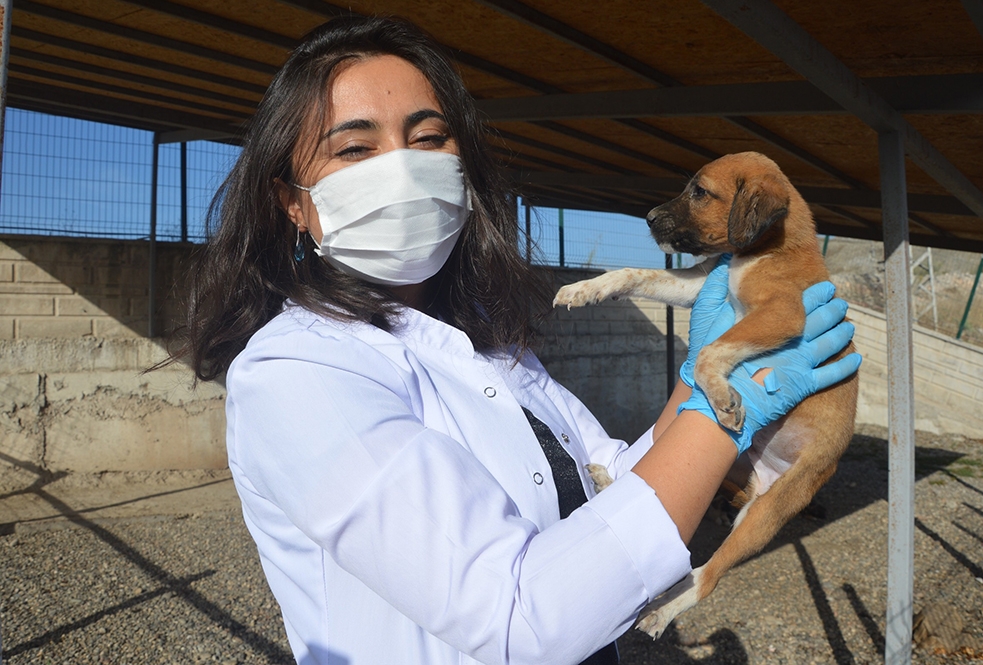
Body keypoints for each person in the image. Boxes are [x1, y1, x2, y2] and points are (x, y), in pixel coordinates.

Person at [175, 14, 862, 665]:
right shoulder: (297, 372)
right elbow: (518, 618)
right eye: (355, 147)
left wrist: (694, 380)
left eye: (428, 137)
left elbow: (616, 489)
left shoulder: (489, 349)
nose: (404, 167)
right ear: (293, 202)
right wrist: (722, 413)